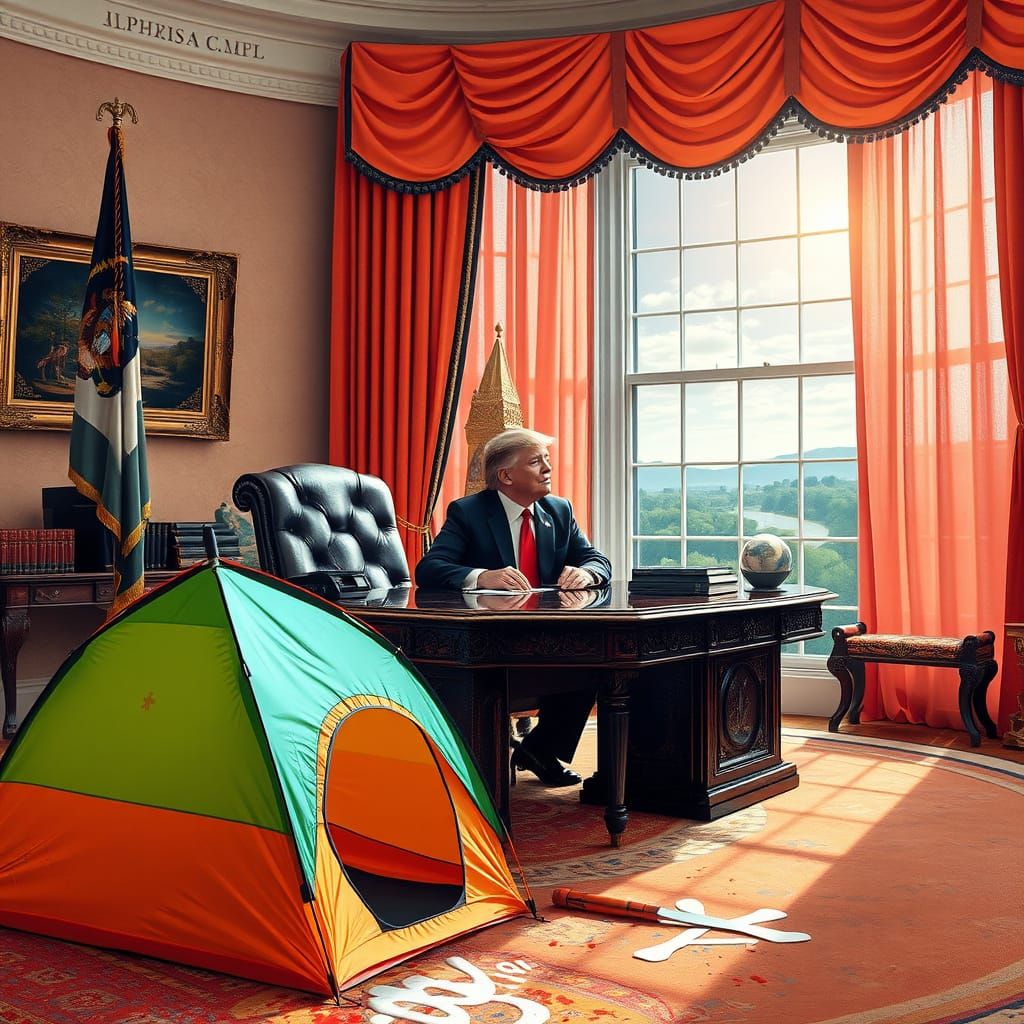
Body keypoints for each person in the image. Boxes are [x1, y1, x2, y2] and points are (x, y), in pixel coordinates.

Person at [416, 428, 611, 787]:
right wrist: (481, 576)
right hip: (493, 641)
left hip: (549, 635)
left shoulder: (559, 510)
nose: (548, 468)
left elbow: (598, 560)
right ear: (505, 476)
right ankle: (486, 765)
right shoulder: (469, 512)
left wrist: (585, 572)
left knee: (596, 661)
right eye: (536, 461)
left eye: (547, 460)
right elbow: (429, 569)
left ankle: (539, 749)